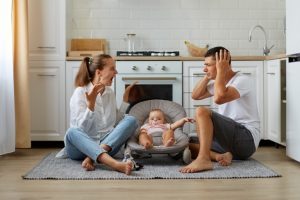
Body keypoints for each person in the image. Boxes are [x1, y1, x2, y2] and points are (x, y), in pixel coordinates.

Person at [180, 46, 260, 173]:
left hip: (246, 140)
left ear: (222, 64)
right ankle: (220, 156)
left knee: (201, 111)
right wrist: (208, 75)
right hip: (228, 144)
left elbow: (219, 98)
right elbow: (195, 95)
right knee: (184, 143)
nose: (204, 68)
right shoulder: (219, 83)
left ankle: (204, 159)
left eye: (208, 65)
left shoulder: (242, 80)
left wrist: (221, 72)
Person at [57, 54, 138, 175]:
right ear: (99, 72)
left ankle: (92, 157)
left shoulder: (110, 93)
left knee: (131, 120)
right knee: (71, 132)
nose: (116, 72)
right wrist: (91, 104)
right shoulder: (80, 92)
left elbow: (115, 122)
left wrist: (125, 100)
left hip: (106, 144)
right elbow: (81, 130)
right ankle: (115, 164)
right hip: (80, 149)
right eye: (112, 68)